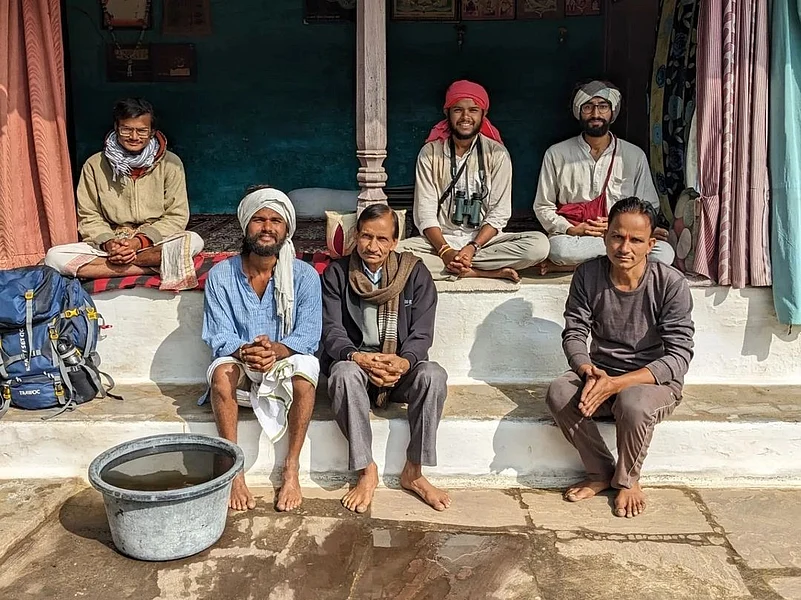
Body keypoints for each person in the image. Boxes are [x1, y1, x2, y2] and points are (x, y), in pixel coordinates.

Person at [545, 197, 694, 518]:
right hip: (602, 374)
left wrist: (618, 384)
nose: (624, 248)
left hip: (652, 383)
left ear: (651, 245)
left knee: (632, 402)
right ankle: (600, 472)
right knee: (559, 391)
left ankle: (628, 480)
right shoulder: (588, 275)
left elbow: (679, 356)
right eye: (617, 236)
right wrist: (587, 370)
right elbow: (574, 333)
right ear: (604, 236)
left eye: (636, 240)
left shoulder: (670, 283)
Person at [321, 203, 451, 513]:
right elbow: (330, 330)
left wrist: (404, 362)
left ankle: (414, 472)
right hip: (358, 367)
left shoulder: (414, 273)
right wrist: (358, 358)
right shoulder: (337, 274)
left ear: (394, 242)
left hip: (399, 369)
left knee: (433, 375)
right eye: (367, 236)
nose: (373, 246)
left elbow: (422, 332)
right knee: (342, 374)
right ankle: (366, 470)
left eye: (382, 239)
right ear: (356, 236)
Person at [201, 186, 321, 511]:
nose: (267, 227)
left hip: (283, 359)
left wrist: (276, 351)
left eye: (275, 221)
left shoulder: (305, 276)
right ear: (246, 226)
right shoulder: (221, 275)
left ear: (286, 229)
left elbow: (308, 336)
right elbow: (218, 335)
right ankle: (234, 471)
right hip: (240, 359)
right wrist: (245, 352)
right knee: (221, 374)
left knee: (307, 372)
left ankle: (291, 467)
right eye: (259, 219)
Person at [398, 80, 550, 282]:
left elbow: (499, 214)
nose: (465, 117)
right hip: (440, 242)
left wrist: (472, 247)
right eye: (458, 110)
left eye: (473, 110)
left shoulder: (497, 153)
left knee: (539, 246)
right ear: (447, 113)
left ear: (483, 114)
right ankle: (482, 271)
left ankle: (456, 266)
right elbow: (425, 213)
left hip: (484, 243)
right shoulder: (430, 153)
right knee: (394, 255)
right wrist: (445, 250)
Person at [44, 98, 203, 290]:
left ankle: (113, 267)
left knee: (194, 242)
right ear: (116, 128)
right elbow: (89, 216)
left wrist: (138, 242)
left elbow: (176, 216)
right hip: (112, 245)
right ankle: (148, 267)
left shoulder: (171, 164)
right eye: (126, 129)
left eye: (142, 131)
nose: (134, 137)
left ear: (152, 132)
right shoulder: (94, 165)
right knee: (54, 257)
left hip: (154, 242)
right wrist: (110, 243)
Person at [534, 80, 675, 269]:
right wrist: (572, 229)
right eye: (588, 107)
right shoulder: (557, 153)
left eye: (603, 106)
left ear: (612, 112)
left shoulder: (633, 155)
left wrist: (622, 225)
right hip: (577, 238)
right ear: (578, 112)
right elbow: (543, 206)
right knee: (559, 250)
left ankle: (577, 267)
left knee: (664, 253)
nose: (595, 114)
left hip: (622, 236)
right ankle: (617, 263)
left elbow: (649, 204)